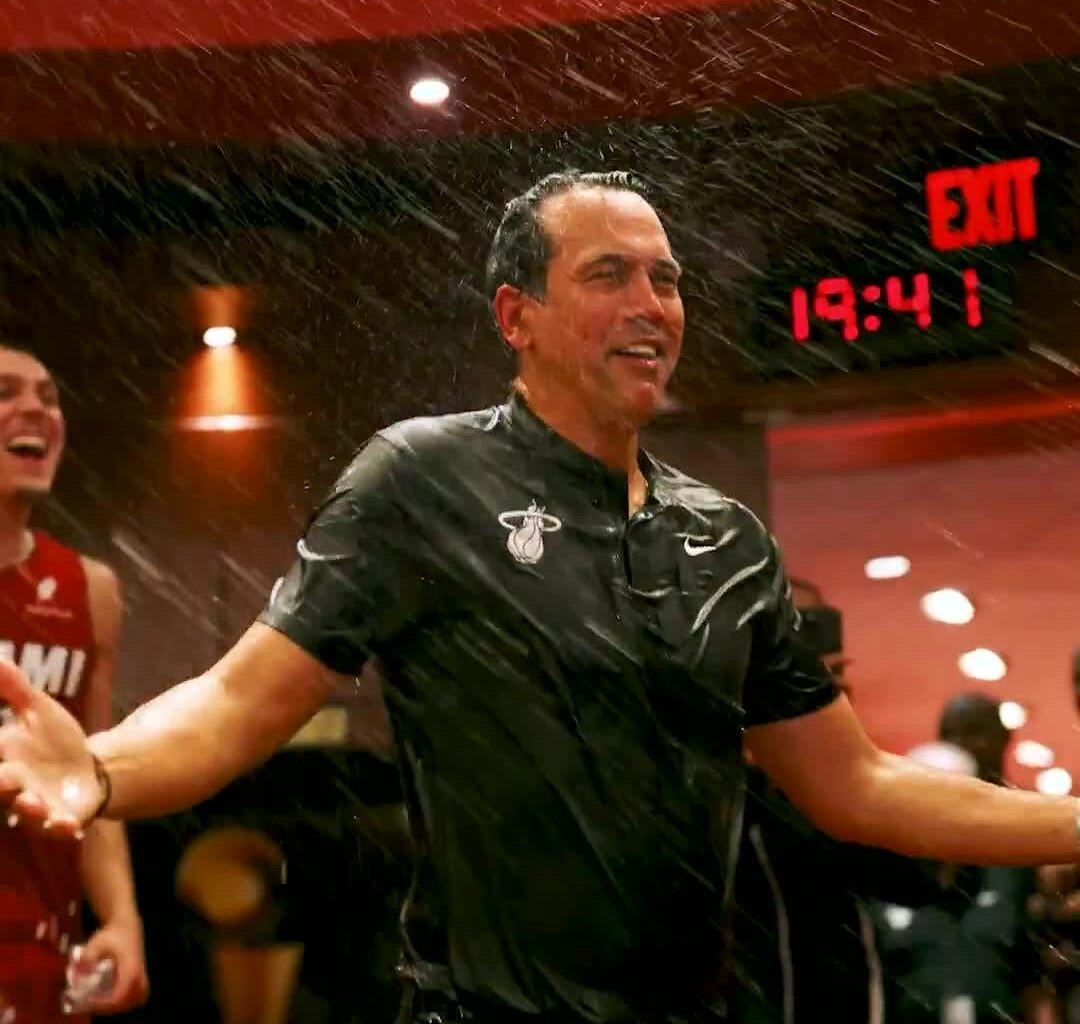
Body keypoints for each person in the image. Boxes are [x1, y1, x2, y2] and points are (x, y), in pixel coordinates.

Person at [1, 170, 1080, 1024]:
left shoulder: (730, 538)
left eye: (667, 278)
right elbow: (239, 701)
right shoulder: (421, 480)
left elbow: (861, 787)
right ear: (515, 315)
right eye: (610, 274)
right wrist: (102, 768)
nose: (652, 304)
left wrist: (1071, 823)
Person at [0, 347, 147, 1021]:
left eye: (49, 397)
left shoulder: (91, 590)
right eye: (5, 392)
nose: (35, 408)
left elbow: (92, 772)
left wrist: (120, 917)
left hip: (47, 956)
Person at [876, 700, 1041, 1024]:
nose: (964, 742)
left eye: (976, 732)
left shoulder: (1021, 842)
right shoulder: (884, 873)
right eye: (952, 733)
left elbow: (1026, 959)